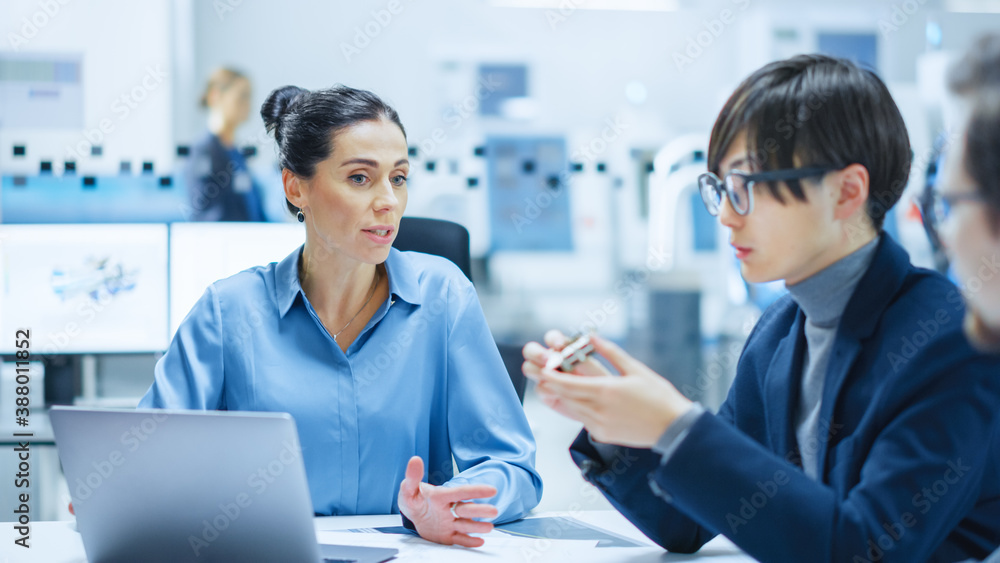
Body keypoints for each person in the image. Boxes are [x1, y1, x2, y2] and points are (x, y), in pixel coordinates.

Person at [523, 55, 1000, 562]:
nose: (727, 216)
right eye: (722, 189)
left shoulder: (948, 337)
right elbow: (686, 522)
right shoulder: (781, 330)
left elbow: (866, 550)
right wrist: (614, 424)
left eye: (748, 187)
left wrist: (675, 425)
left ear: (847, 191)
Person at [141, 83, 542, 547]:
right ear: (296, 187)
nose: (388, 201)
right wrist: (133, 492)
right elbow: (152, 457)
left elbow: (512, 466)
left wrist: (448, 501)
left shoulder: (443, 296)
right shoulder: (228, 311)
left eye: (398, 177)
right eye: (359, 178)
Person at [186, 67, 267, 221]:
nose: (248, 104)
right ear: (215, 96)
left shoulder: (235, 153)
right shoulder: (203, 151)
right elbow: (206, 214)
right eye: (242, 96)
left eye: (249, 97)